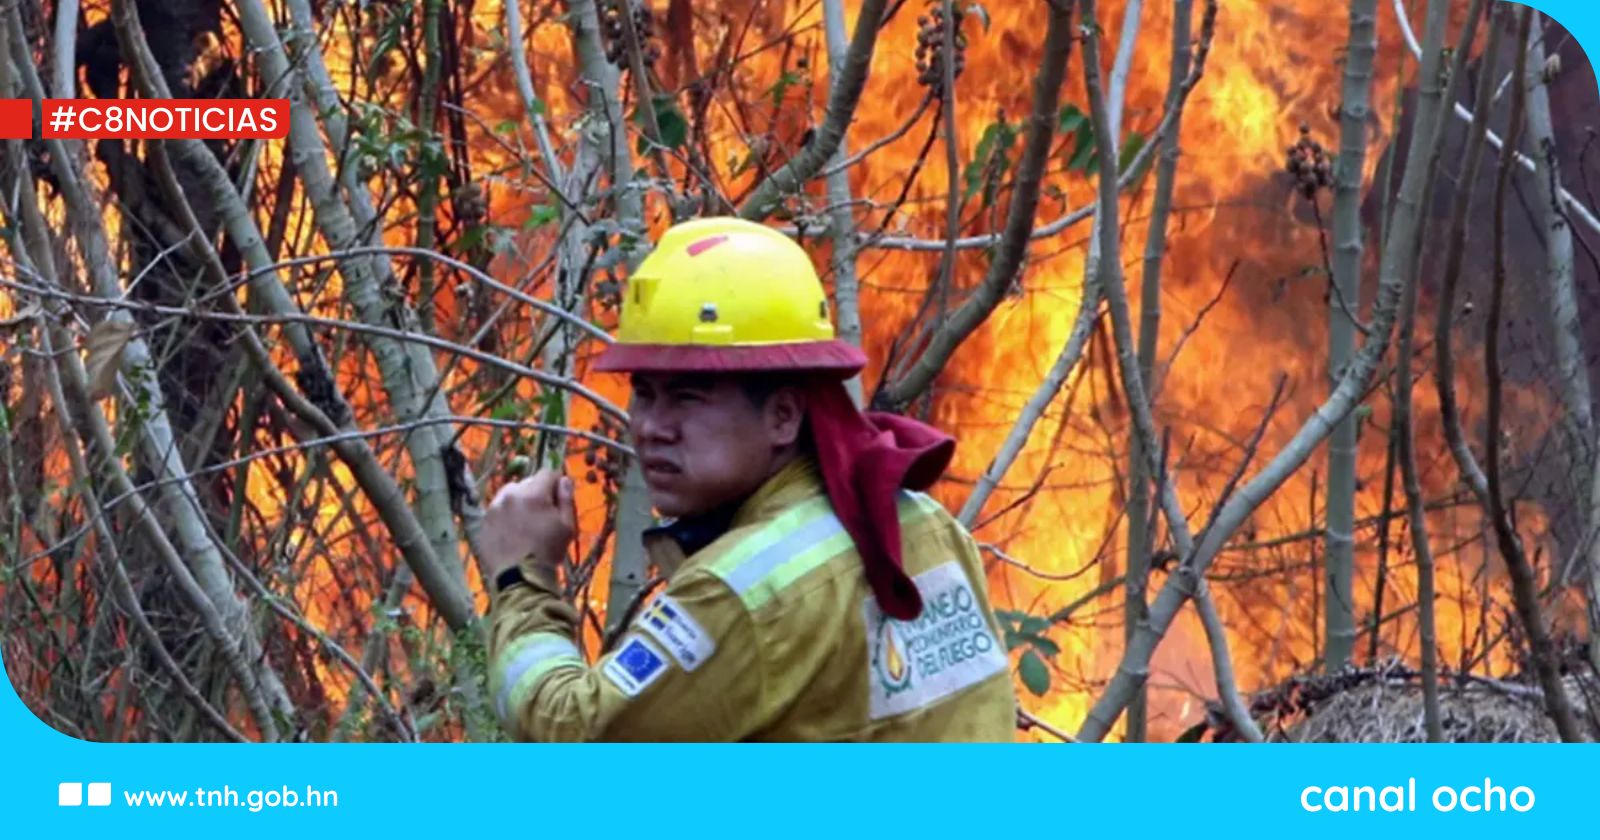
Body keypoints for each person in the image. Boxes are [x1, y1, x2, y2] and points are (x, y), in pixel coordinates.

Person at [477, 217, 1016, 741]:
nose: (650, 428)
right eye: (645, 393)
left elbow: (575, 735)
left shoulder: (735, 593)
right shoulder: (925, 521)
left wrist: (519, 575)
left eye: (687, 397)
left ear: (783, 415)